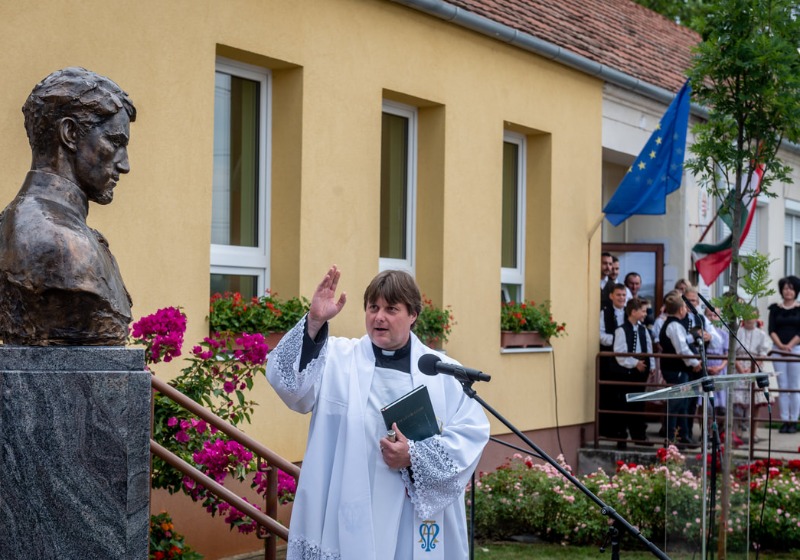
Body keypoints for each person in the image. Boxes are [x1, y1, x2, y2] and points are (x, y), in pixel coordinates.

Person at [265, 266, 490, 559]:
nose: (379, 317)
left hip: (411, 515)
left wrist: (413, 456)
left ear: (413, 315)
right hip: (349, 506)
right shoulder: (337, 359)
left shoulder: (441, 372)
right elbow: (289, 384)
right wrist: (314, 322)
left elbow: (472, 433)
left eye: (391, 309)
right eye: (373, 307)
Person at [0, 67, 135, 345]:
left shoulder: (18, 224)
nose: (125, 165)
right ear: (70, 134)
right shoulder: (60, 243)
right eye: (114, 141)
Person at [612, 297, 656, 448]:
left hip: (641, 371)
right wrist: (634, 363)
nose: (645, 314)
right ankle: (622, 437)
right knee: (625, 404)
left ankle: (639, 436)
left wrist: (651, 365)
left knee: (639, 404)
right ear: (633, 312)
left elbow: (648, 347)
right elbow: (619, 353)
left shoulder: (643, 329)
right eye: (642, 311)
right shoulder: (621, 330)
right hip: (627, 373)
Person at [659, 293, 702, 445]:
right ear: (681, 310)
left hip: (679, 369)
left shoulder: (675, 325)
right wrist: (694, 362)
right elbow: (681, 349)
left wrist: (695, 336)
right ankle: (671, 439)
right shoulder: (674, 325)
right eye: (684, 306)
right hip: (675, 369)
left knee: (683, 404)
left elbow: (683, 341)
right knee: (676, 404)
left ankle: (683, 436)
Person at [734, 314, 774, 444]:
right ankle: (737, 431)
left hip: (755, 365)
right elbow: (732, 352)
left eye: (752, 317)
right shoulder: (738, 332)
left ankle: (753, 433)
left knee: (755, 402)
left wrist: (753, 368)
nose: (749, 320)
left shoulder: (761, 334)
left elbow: (763, 352)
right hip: (739, 365)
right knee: (737, 401)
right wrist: (740, 368)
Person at [768, 275, 800, 434]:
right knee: (782, 386)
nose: (788, 291)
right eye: (786, 288)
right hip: (777, 350)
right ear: (781, 290)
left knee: (794, 386)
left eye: (791, 288)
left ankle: (794, 420)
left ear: (796, 291)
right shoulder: (775, 309)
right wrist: (781, 345)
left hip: (795, 351)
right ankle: (785, 420)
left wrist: (790, 345)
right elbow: (771, 329)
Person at [598, 283, 627, 438]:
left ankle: (622, 430)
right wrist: (619, 340)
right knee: (609, 395)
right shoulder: (605, 312)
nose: (621, 298)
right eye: (618, 295)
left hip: (626, 361)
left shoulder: (629, 311)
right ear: (611, 296)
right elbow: (601, 336)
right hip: (609, 360)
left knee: (623, 396)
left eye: (623, 295)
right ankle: (608, 430)